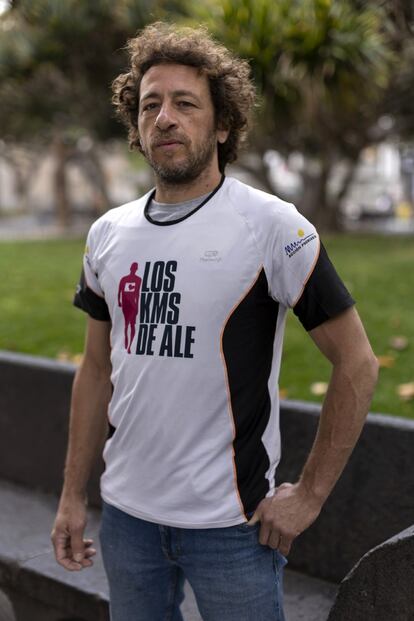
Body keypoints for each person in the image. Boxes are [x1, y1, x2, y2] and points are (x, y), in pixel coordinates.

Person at [51, 22, 379, 621]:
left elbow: (357, 361)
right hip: (126, 521)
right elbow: (96, 369)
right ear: (136, 126)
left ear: (223, 124)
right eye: (150, 105)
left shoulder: (272, 226)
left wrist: (309, 496)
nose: (165, 118)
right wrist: (73, 495)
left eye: (185, 103)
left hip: (232, 528)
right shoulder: (107, 234)